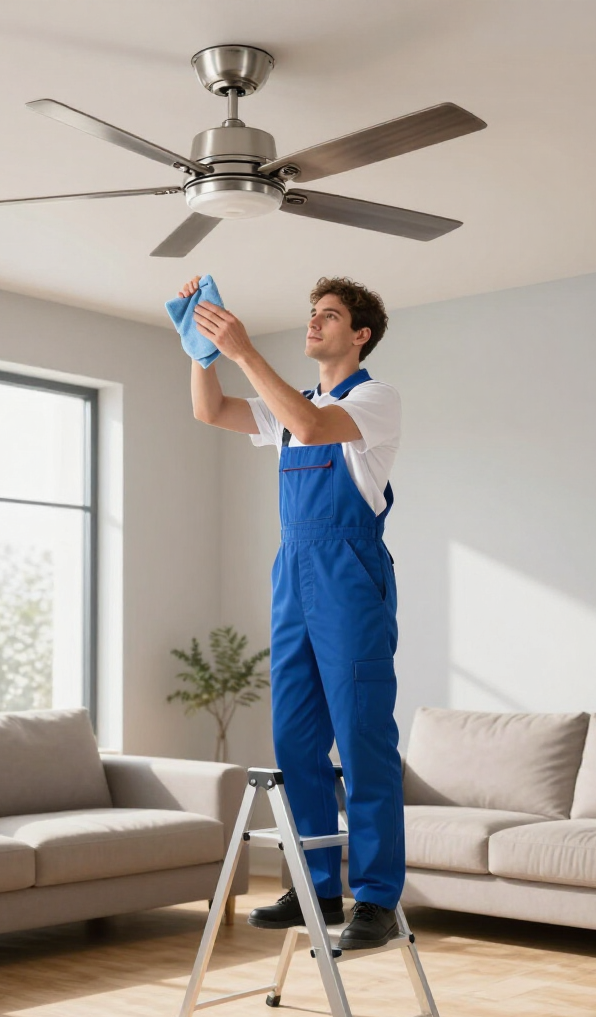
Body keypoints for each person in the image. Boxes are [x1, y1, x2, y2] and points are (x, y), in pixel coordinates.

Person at [183, 274, 404, 951]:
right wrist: (200, 347)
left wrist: (245, 349)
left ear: (359, 334)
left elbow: (311, 429)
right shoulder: (292, 401)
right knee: (295, 739)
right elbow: (211, 412)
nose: (313, 323)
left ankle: (375, 898)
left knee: (362, 737)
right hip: (293, 576)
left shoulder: (373, 398)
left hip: (350, 578)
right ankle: (315, 885)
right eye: (311, 314)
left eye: (328, 316)